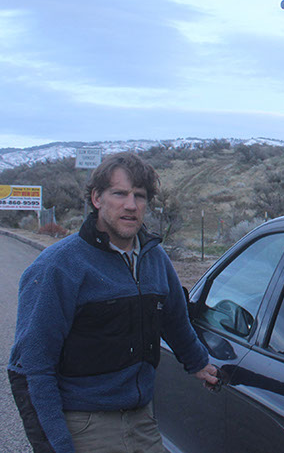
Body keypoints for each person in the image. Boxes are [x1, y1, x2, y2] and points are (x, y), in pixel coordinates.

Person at [7, 152, 219, 453]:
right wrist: (55, 445)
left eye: (140, 196)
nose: (131, 205)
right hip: (85, 424)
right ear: (96, 198)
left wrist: (198, 362)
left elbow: (174, 318)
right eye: (119, 194)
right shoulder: (58, 268)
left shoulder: (154, 258)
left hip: (142, 419)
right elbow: (31, 370)